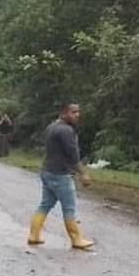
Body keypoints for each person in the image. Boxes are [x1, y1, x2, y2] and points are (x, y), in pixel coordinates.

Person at [27, 102, 94, 249]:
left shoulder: (51, 127)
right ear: (64, 113)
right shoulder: (66, 131)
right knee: (69, 208)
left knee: (45, 204)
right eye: (73, 112)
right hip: (60, 175)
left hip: (47, 171)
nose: (77, 115)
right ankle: (76, 239)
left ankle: (34, 235)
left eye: (78, 112)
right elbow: (73, 155)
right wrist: (83, 174)